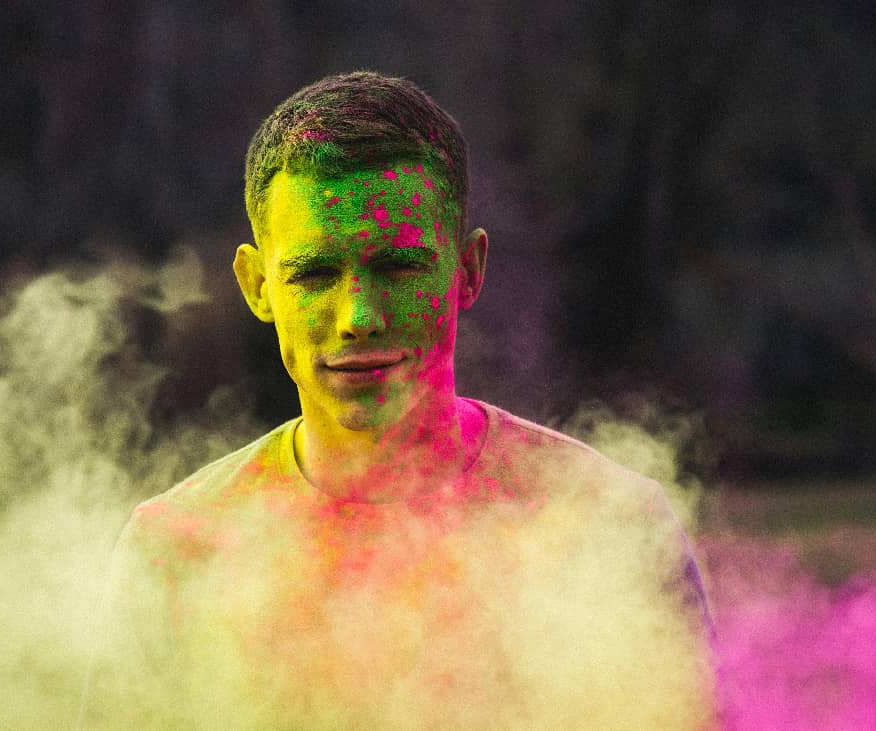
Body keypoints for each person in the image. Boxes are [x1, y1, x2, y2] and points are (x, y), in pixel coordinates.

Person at [79, 71, 716, 729]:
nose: (358, 314)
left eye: (398, 266)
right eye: (317, 273)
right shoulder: (178, 550)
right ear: (257, 284)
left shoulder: (607, 527)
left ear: (467, 270)